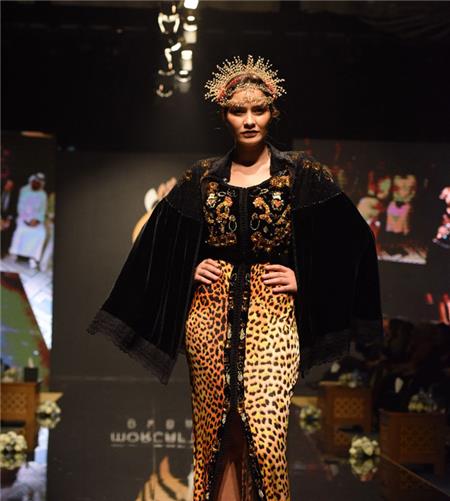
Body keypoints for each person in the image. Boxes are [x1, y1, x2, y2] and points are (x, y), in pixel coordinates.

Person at [87, 55, 383, 500]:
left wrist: (307, 279)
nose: (248, 120)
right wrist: (188, 269)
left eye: (258, 109)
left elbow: (355, 241)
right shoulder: (202, 178)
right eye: (237, 110)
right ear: (223, 115)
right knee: (218, 437)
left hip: (274, 318)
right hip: (208, 319)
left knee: (266, 438)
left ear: (272, 112)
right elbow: (153, 245)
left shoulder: (302, 175)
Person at [8, 172, 48, 269]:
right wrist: (27, 220)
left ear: (41, 184)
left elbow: (42, 210)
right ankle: (14, 253)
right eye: (35, 182)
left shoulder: (43, 194)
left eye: (38, 183)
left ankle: (33, 258)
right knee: (20, 230)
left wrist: (37, 220)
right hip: (23, 218)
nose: (36, 184)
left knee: (41, 233)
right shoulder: (24, 190)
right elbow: (20, 206)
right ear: (31, 181)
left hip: (36, 220)